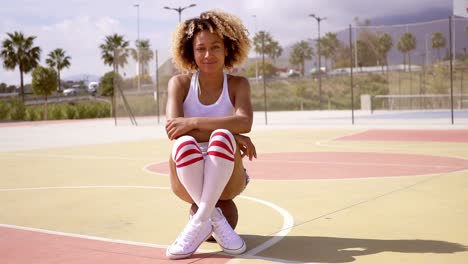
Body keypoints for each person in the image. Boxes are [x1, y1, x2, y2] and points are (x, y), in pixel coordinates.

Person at [165, 9, 257, 260]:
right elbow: (174, 129)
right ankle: (212, 218)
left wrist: (193, 122)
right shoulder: (180, 84)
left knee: (221, 139)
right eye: (200, 48)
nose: (208, 55)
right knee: (184, 142)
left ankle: (197, 223)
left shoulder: (239, 84)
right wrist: (232, 132)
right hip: (187, 171)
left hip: (228, 173)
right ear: (190, 52)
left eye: (215, 47)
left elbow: (245, 121)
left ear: (228, 49)